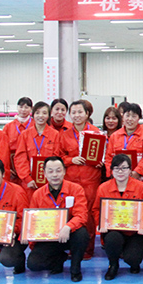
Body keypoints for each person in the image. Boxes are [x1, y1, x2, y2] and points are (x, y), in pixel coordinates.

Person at [25, 157, 89, 282]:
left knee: (82, 234)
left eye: (58, 170)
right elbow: (33, 222)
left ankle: (75, 268)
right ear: (44, 173)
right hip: (48, 237)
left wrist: (68, 226)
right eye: (50, 171)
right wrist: (32, 243)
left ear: (64, 171)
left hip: (70, 234)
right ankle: (59, 259)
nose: (55, 175)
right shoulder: (37, 194)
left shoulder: (76, 189)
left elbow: (81, 215)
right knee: (34, 264)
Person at [94, 154, 143, 280]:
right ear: (111, 170)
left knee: (133, 259)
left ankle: (134, 262)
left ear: (130, 170)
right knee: (112, 239)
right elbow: (96, 209)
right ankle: (113, 264)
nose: (120, 172)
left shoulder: (142, 187)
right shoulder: (103, 188)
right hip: (113, 230)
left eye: (124, 168)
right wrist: (100, 223)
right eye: (116, 168)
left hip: (135, 232)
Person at [58, 100, 104, 259]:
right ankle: (74, 247)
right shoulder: (64, 135)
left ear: (87, 114)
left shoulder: (96, 133)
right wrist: (71, 160)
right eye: (73, 112)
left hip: (90, 180)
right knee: (72, 212)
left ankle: (87, 249)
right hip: (71, 181)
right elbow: (59, 157)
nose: (77, 115)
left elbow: (103, 156)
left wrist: (100, 161)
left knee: (89, 214)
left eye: (80, 112)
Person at [14, 101, 60, 197]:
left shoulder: (55, 134)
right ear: (33, 115)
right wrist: (27, 179)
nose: (41, 116)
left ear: (49, 115)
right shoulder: (25, 135)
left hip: (49, 181)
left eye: (44, 113)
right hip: (29, 182)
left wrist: (51, 177)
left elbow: (56, 157)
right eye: (37, 113)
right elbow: (20, 159)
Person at [105, 102, 143, 180]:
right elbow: (109, 157)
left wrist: (137, 172)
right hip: (117, 178)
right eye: (127, 116)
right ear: (122, 117)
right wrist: (112, 172)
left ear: (139, 118)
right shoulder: (115, 136)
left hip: (138, 179)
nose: (130, 119)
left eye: (134, 116)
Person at [3, 97, 33, 182]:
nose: (23, 110)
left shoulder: (35, 125)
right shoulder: (8, 127)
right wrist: (6, 168)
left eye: (26, 107)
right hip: (12, 168)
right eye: (21, 107)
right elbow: (3, 150)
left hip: (30, 168)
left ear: (31, 109)